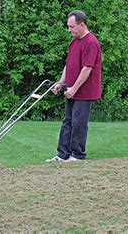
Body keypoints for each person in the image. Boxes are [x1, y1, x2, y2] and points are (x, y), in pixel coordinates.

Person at [46, 10, 102, 163]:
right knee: (68, 121)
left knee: (78, 123)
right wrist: (61, 83)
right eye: (68, 27)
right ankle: (62, 154)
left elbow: (87, 68)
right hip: (70, 89)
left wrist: (74, 89)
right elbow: (68, 65)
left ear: (82, 25)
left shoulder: (91, 42)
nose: (69, 30)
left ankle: (77, 155)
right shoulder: (74, 41)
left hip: (84, 91)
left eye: (72, 27)